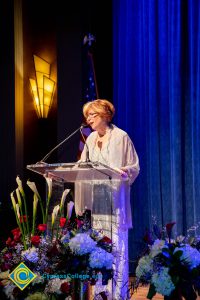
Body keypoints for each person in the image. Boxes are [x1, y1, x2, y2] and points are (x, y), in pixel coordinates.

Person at [76, 99, 140, 299]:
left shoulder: (121, 137)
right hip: (98, 203)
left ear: (104, 115)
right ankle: (101, 294)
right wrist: (59, 174)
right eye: (87, 116)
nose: (88, 119)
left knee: (116, 248)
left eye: (91, 115)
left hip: (115, 202)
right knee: (100, 248)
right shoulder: (91, 138)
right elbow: (82, 166)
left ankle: (118, 295)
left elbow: (134, 166)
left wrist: (124, 172)